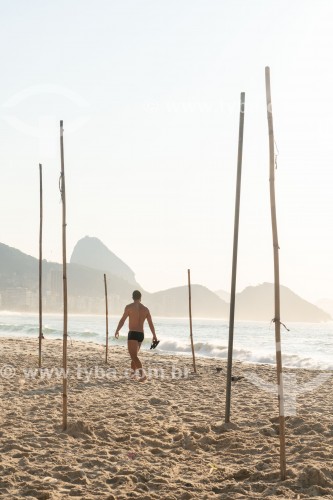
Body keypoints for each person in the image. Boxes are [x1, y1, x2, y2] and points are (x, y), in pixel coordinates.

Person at [114, 290, 158, 382]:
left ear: (132, 297)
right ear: (140, 297)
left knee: (133, 356)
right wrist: (154, 335)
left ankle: (143, 375)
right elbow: (150, 323)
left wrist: (117, 330)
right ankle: (133, 375)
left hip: (133, 333)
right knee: (135, 355)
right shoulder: (145, 309)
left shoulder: (129, 307)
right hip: (141, 334)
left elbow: (122, 320)